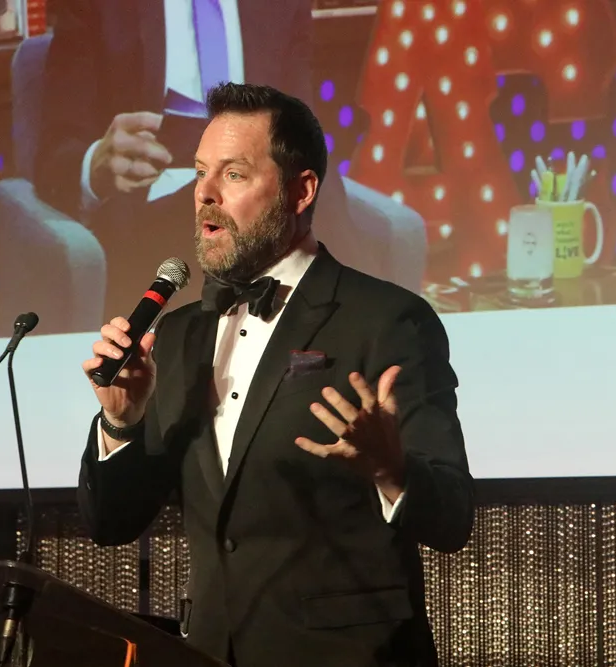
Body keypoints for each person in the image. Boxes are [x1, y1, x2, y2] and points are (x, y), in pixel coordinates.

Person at [77, 83, 473, 667]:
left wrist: (392, 469)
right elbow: (112, 522)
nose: (204, 193)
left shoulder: (387, 319)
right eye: (200, 173)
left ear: (300, 190)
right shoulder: (178, 334)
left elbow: (453, 516)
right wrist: (121, 422)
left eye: (233, 174)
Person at [35, 0, 401, 322]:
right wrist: (96, 165)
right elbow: (54, 154)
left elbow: (300, 124)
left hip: (263, 186)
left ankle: (367, 345)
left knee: (321, 211)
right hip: (154, 198)